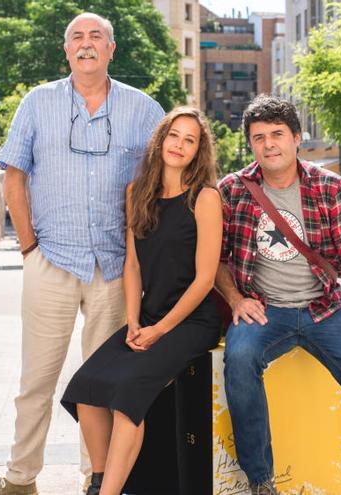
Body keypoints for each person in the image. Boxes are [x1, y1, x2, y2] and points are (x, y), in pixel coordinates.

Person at [0, 12, 165, 495]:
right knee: (36, 381)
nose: (86, 45)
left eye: (96, 37)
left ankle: (97, 478)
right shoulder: (37, 103)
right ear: (66, 50)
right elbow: (14, 176)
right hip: (52, 261)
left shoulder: (146, 110)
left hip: (115, 268)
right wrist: (28, 248)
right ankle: (21, 478)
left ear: (111, 49)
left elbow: (165, 182)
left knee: (104, 383)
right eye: (77, 38)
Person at [214, 96, 341, 495]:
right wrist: (235, 298)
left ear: (297, 138)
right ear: (251, 144)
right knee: (239, 360)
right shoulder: (233, 190)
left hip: (324, 310)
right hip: (264, 310)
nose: (269, 144)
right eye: (259, 137)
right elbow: (216, 259)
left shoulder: (330, 188)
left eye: (277, 134)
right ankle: (261, 480)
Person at [61, 107, 223, 495]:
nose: (179, 145)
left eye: (190, 140)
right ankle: (100, 480)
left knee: (128, 398)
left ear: (199, 151)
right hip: (148, 317)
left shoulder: (205, 199)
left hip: (192, 322)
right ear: (161, 139)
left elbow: (204, 280)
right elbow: (132, 265)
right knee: (85, 389)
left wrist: (160, 330)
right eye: (174, 135)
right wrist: (134, 321)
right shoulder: (138, 193)